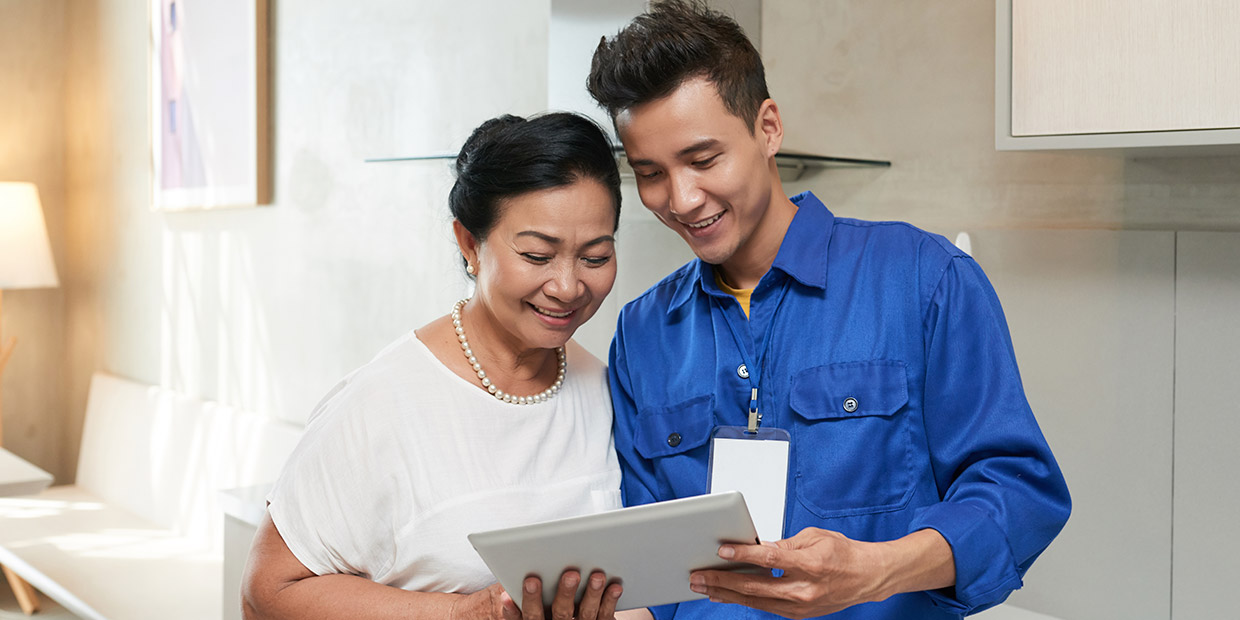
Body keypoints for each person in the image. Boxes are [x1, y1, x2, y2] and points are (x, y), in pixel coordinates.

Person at [587, 2, 1071, 619]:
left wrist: (878, 570)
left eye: (704, 160)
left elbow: (1021, 492)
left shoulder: (924, 277)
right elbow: (651, 569)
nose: (680, 199)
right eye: (650, 172)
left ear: (768, 128)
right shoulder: (643, 331)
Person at [242, 112, 651, 620]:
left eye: (594, 257)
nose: (567, 286)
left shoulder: (603, 386)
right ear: (468, 244)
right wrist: (463, 614)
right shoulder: (383, 402)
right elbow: (268, 590)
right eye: (537, 255)